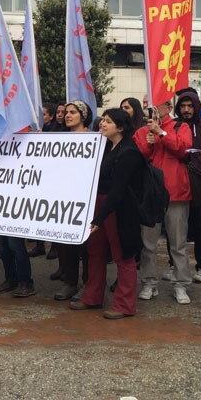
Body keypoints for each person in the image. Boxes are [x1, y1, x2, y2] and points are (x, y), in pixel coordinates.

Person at [70, 108, 143, 319]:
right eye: (102, 120)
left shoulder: (129, 152)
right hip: (101, 206)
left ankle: (125, 304)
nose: (102, 124)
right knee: (95, 251)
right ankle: (92, 297)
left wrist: (100, 217)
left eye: (108, 121)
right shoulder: (108, 148)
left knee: (123, 256)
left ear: (120, 127)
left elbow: (118, 190)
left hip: (119, 209)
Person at [134, 98, 194, 305]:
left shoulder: (181, 127)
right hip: (150, 192)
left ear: (168, 108)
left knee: (178, 242)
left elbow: (183, 149)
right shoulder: (142, 131)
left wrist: (161, 133)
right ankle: (149, 282)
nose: (150, 108)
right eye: (146, 104)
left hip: (176, 191)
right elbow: (138, 156)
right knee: (148, 243)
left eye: (155, 104)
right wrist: (148, 145)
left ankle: (180, 284)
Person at [175, 88, 201, 284]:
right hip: (177, 183)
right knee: (176, 227)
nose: (186, 110)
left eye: (190, 106)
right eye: (183, 106)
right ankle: (173, 264)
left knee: (200, 225)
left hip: (199, 183)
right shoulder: (174, 126)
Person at [53, 100, 94, 301]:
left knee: (87, 246)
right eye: (66, 112)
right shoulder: (59, 139)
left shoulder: (95, 140)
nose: (67, 115)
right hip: (64, 197)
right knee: (65, 244)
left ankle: (88, 284)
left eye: (73, 112)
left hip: (85, 199)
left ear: (83, 116)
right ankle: (69, 282)